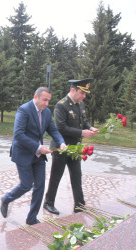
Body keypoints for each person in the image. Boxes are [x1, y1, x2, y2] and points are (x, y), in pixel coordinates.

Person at [0, 87, 66, 225]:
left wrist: (62, 143)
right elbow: (18, 135)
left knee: (40, 186)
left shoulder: (47, 112)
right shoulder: (24, 110)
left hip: (38, 156)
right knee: (26, 185)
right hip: (23, 153)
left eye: (49, 100)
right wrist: (38, 147)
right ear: (36, 97)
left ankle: (31, 218)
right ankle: (6, 199)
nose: (47, 103)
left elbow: (53, 130)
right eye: (45, 100)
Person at [44, 78, 99, 215]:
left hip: (75, 149)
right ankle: (48, 203)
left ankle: (79, 205)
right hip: (61, 149)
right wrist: (82, 132)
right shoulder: (61, 105)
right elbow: (60, 128)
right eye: (82, 93)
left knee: (77, 176)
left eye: (85, 94)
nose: (84, 96)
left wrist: (91, 128)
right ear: (73, 90)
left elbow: (84, 121)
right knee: (56, 177)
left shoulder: (80, 104)